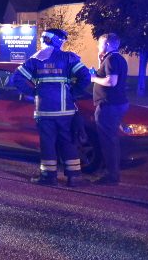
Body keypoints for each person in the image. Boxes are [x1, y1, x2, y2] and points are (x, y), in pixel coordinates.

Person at [11, 28, 91, 187]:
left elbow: (16, 78)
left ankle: (49, 177)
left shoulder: (35, 60)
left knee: (47, 143)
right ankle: (74, 177)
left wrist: (33, 92)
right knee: (68, 141)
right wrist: (72, 93)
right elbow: (85, 77)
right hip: (65, 110)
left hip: (44, 111)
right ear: (57, 41)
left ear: (45, 40)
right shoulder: (69, 58)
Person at [90, 33, 129, 185]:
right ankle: (112, 172)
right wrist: (99, 64)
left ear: (106, 44)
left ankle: (111, 175)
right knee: (111, 139)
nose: (98, 46)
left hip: (108, 105)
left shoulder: (111, 59)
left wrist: (92, 78)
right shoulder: (117, 58)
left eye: (100, 44)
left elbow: (111, 81)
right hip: (116, 103)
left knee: (108, 141)